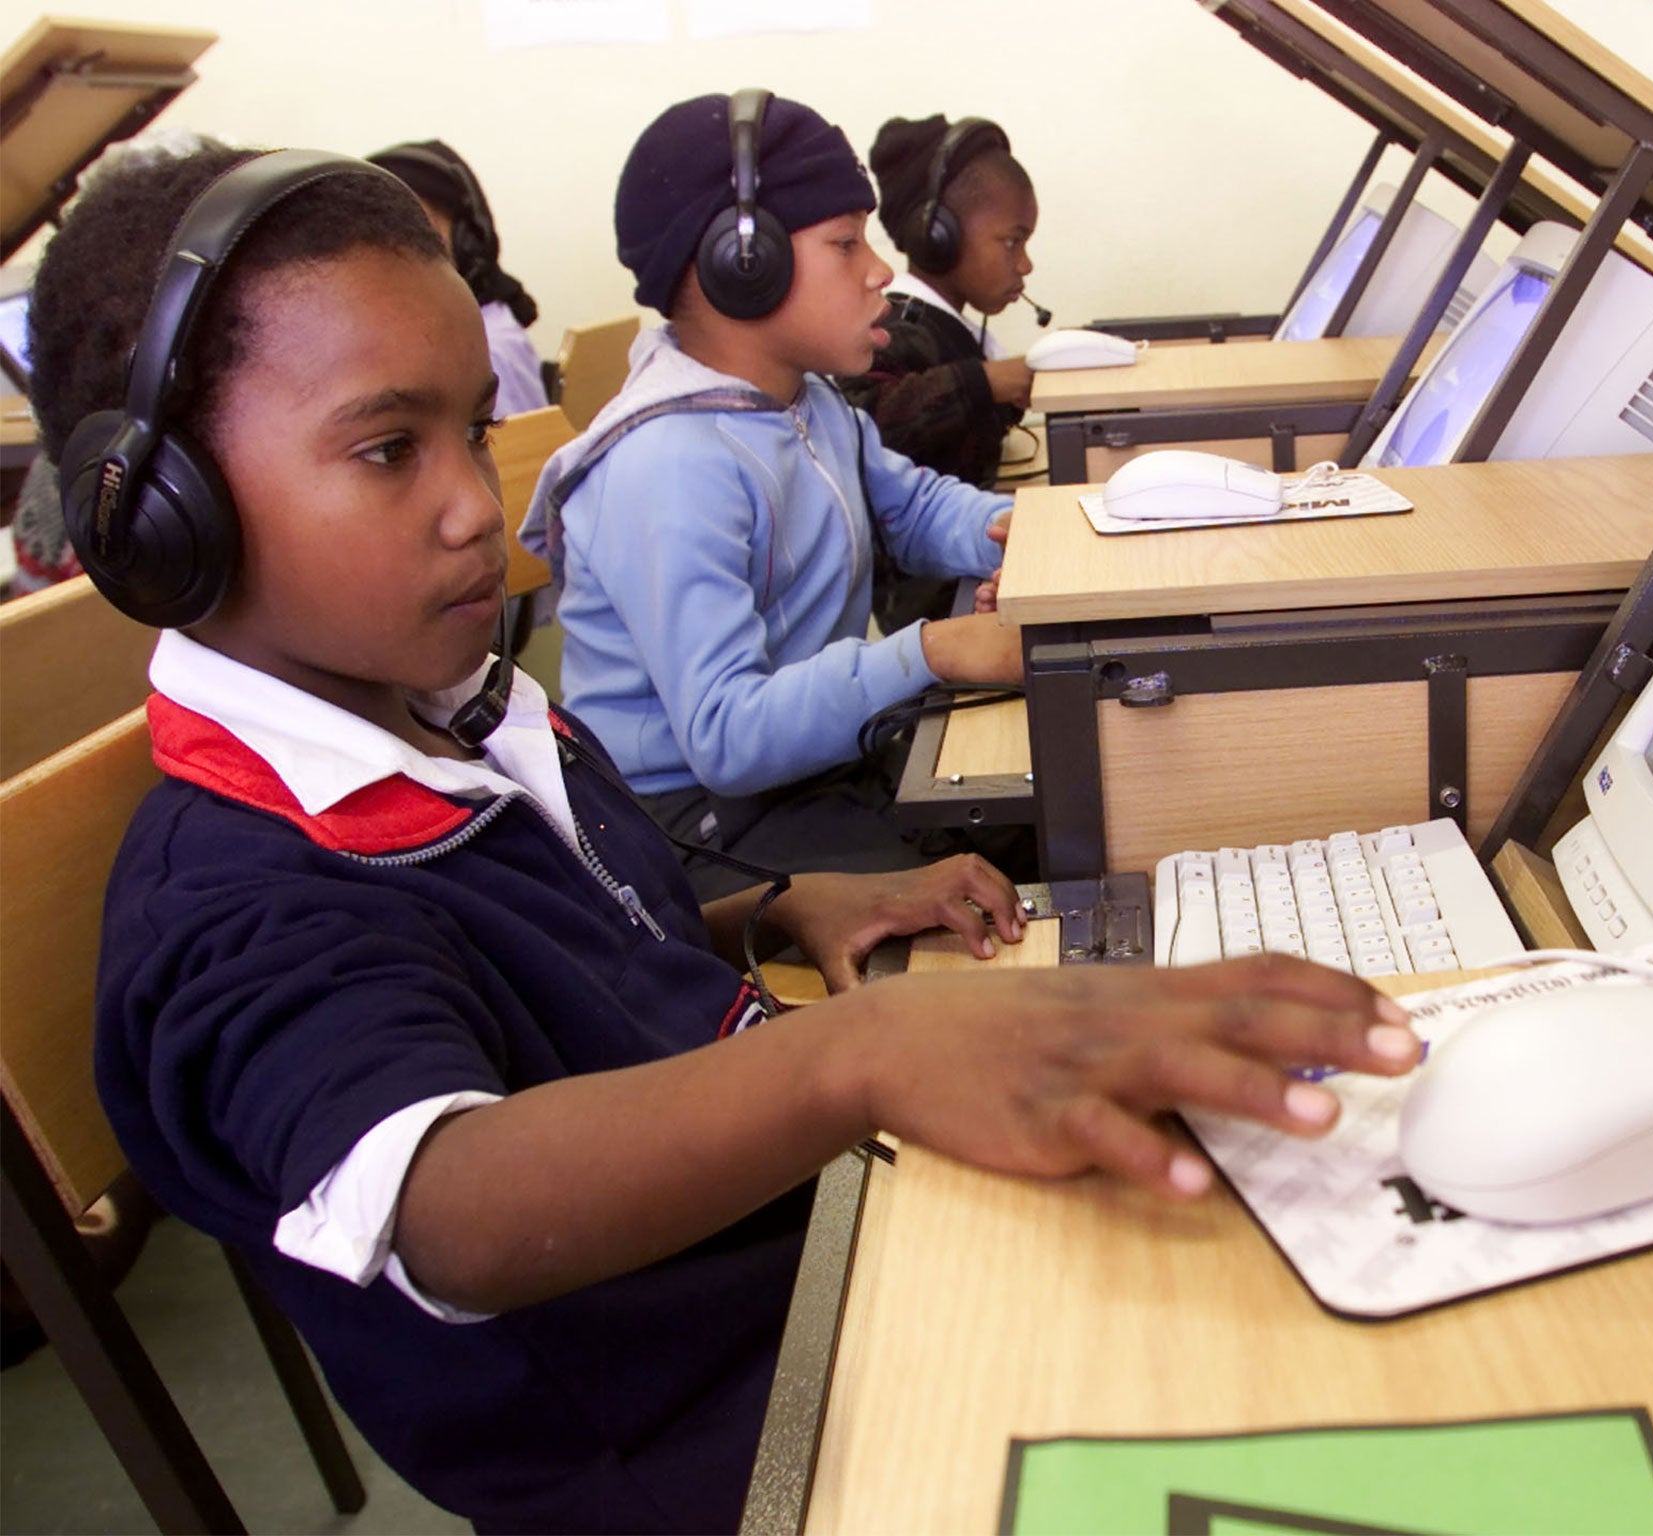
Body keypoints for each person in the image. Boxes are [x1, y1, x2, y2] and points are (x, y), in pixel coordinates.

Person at [30, 142, 1422, 1535]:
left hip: (811, 1255)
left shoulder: (457, 722)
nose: (475, 507)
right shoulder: (237, 906)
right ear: (160, 515)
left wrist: (773, 910)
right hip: (715, 1444)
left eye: (468, 429)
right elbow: (451, 1200)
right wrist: (857, 1055)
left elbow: (560, 964)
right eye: (392, 450)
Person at [523, 92, 1023, 899]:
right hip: (689, 825)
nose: (881, 269)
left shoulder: (805, 402)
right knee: (982, 900)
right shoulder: (670, 462)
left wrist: (1027, 531)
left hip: (806, 767)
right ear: (743, 266)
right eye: (844, 243)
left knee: (1039, 814)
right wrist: (932, 651)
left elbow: (915, 509)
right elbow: (726, 734)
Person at [839, 113, 1037, 491]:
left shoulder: (949, 330)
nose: (1025, 264)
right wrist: (985, 382)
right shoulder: (892, 330)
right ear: (940, 236)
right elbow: (862, 422)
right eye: (1012, 241)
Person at [367, 138, 550, 415]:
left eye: (419, 233)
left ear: (468, 243)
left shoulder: (487, 350)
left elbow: (523, 456)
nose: (399, 254)